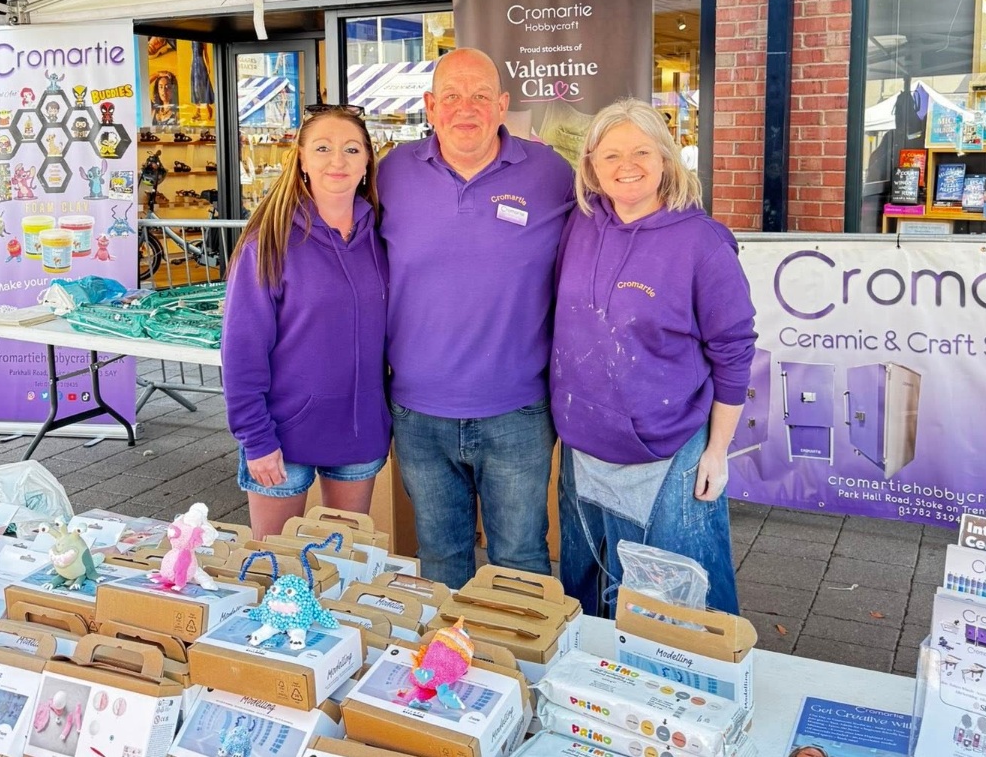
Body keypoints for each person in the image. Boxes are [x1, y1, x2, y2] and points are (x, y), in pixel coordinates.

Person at [378, 48, 574, 589]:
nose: (468, 109)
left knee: (522, 561)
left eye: (481, 96)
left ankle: (523, 670)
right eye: (453, 97)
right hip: (419, 415)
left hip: (517, 412)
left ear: (503, 105)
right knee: (441, 561)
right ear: (430, 106)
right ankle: (446, 672)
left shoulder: (550, 173)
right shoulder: (392, 172)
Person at [553, 98, 756, 617]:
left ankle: (704, 696)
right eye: (611, 155)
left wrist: (717, 451)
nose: (627, 166)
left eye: (642, 151)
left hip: (668, 452)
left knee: (678, 611)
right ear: (591, 166)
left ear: (666, 159)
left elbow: (733, 351)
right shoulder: (579, 226)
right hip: (585, 448)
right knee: (591, 599)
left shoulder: (701, 242)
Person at [222, 104, 390, 540]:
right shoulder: (270, 240)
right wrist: (255, 438)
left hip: (357, 434)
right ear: (300, 158)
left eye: (352, 149)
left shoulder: (385, 236)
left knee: (342, 568)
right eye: (323, 148)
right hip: (281, 436)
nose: (338, 161)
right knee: (275, 572)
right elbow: (241, 350)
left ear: (369, 159)